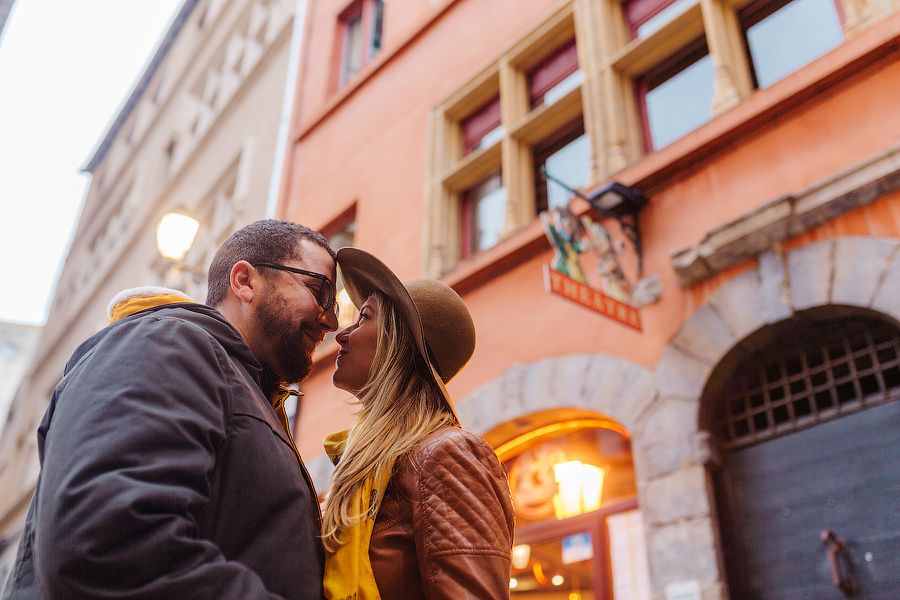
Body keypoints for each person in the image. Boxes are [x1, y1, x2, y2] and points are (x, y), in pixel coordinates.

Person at [3, 220, 337, 600]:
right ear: (244, 281)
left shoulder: (237, 383)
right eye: (319, 291)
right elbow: (107, 541)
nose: (331, 319)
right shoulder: (166, 342)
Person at [320, 247, 514, 600]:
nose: (342, 334)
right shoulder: (368, 468)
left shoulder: (447, 455)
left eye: (364, 318)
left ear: (398, 344)